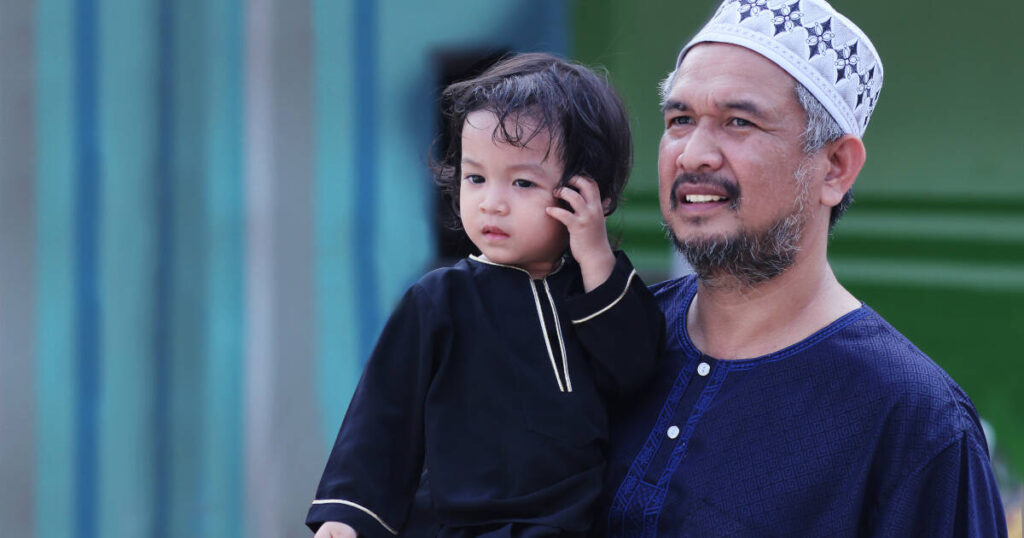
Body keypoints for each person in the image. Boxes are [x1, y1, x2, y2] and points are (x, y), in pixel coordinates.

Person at [596, 0, 1009, 536]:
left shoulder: (915, 421)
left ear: (835, 167)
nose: (693, 154)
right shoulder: (611, 338)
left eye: (738, 122)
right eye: (680, 120)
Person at [307, 53, 663, 537]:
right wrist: (347, 516)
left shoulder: (598, 295)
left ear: (588, 193)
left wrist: (597, 257)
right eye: (476, 178)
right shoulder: (437, 299)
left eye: (521, 182)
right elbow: (383, 418)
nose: (491, 202)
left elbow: (638, 370)